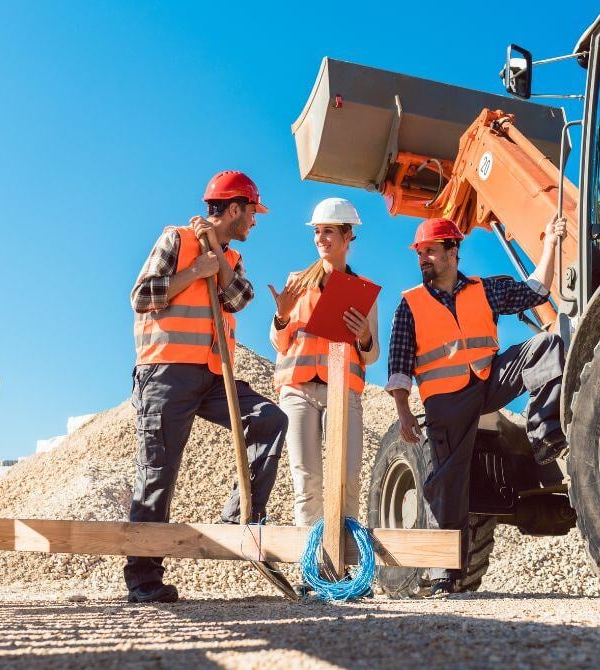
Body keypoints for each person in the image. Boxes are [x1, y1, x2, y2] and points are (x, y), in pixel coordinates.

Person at [126, 170, 288, 603]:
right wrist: (196, 269)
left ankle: (240, 518)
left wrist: (215, 254)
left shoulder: (229, 258)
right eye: (252, 212)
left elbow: (238, 299)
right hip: (165, 373)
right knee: (158, 474)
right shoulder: (175, 240)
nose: (255, 221)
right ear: (234, 208)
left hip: (214, 375)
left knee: (270, 418)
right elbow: (141, 296)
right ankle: (143, 579)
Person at [385, 216, 567, 597]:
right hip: (446, 401)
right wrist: (403, 411)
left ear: (453, 251)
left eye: (431, 250)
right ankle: (444, 574)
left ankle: (545, 435)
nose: (424, 259)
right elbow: (399, 366)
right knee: (449, 483)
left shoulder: (484, 289)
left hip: (488, 379)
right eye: (420, 253)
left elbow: (535, 291)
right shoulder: (409, 305)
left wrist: (550, 243)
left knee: (547, 347)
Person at [269, 197, 378, 540]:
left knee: (346, 480)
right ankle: (312, 569)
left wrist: (364, 336)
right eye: (317, 231)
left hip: (342, 392)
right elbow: (280, 343)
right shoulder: (296, 282)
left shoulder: (363, 291)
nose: (321, 238)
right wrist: (281, 316)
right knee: (307, 482)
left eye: (329, 231)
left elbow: (372, 355)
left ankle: (344, 566)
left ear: (348, 237)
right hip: (298, 391)